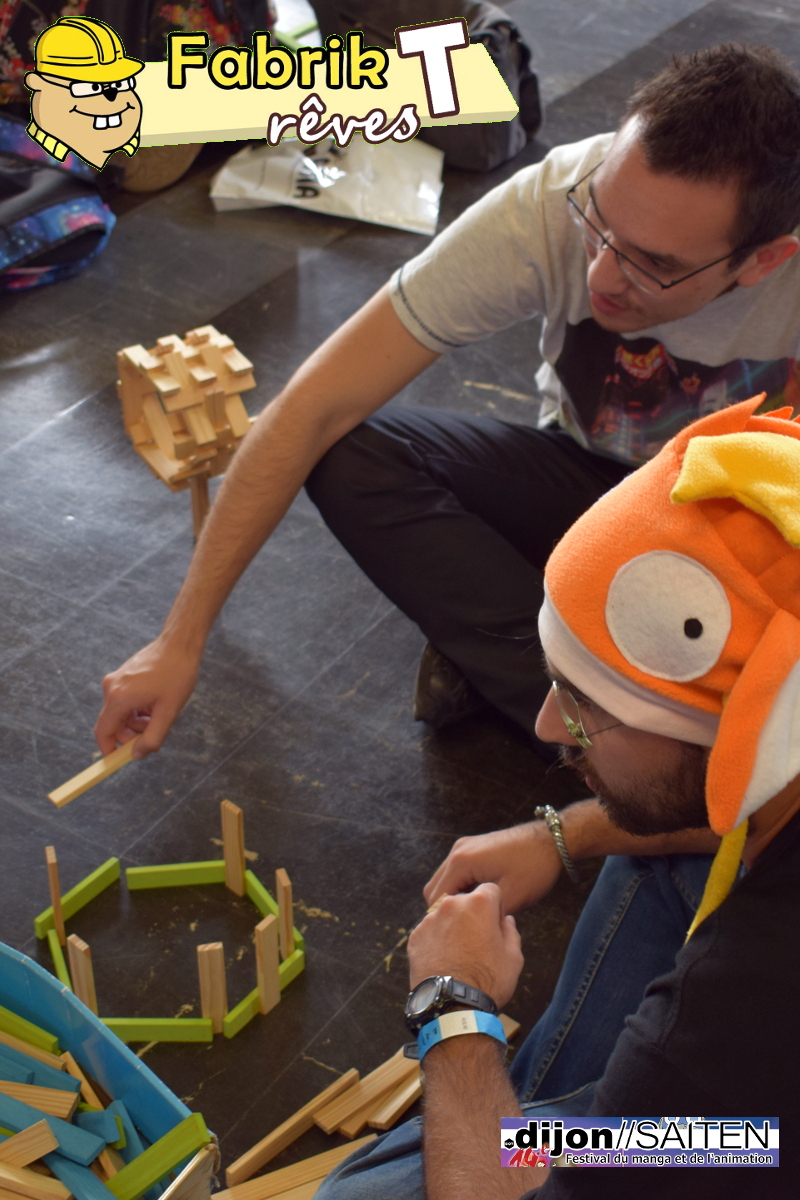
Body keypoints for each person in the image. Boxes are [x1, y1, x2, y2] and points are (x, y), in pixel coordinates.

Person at [94, 44, 800, 758]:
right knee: (353, 453)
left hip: (753, 530)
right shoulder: (554, 197)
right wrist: (179, 640)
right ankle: (595, 731)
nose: (602, 276)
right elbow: (314, 405)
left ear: (765, 259)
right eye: (602, 223)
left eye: (655, 264)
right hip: (594, 490)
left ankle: (596, 703)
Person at [311, 395, 800, 1199]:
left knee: (361, 1192)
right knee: (652, 836)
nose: (547, 727)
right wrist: (565, 834)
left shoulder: (732, 1011)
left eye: (586, 704)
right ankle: (540, 1136)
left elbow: (731, 1119)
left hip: (748, 1145)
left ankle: (539, 1148)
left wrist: (453, 1007)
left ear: (738, 731)